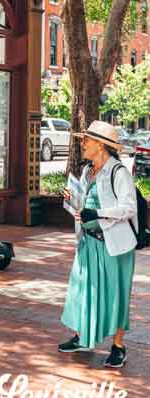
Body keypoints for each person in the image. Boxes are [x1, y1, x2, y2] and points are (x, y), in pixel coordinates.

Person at [59, 120, 138, 368]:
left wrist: (98, 213)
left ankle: (118, 347)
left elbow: (128, 208)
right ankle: (83, 338)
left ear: (101, 146)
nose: (82, 144)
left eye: (86, 140)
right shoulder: (87, 170)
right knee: (83, 291)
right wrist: (73, 200)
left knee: (116, 295)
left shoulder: (118, 172)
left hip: (113, 245)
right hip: (88, 243)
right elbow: (84, 202)